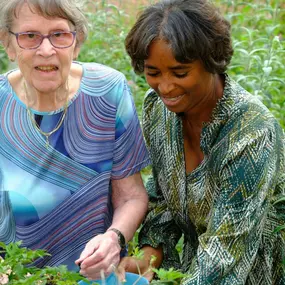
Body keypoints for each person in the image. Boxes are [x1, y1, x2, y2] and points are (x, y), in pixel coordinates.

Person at [118, 0, 285, 284]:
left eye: (180, 73)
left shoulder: (250, 130)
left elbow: (226, 252)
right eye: (153, 73)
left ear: (211, 61)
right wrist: (147, 258)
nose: (166, 87)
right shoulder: (158, 109)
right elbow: (163, 196)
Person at [0, 0, 150, 280]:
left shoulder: (108, 92)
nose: (46, 50)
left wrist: (113, 239)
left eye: (59, 34)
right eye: (30, 36)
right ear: (8, 45)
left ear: (77, 42)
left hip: (93, 275)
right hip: (14, 274)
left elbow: (131, 195)